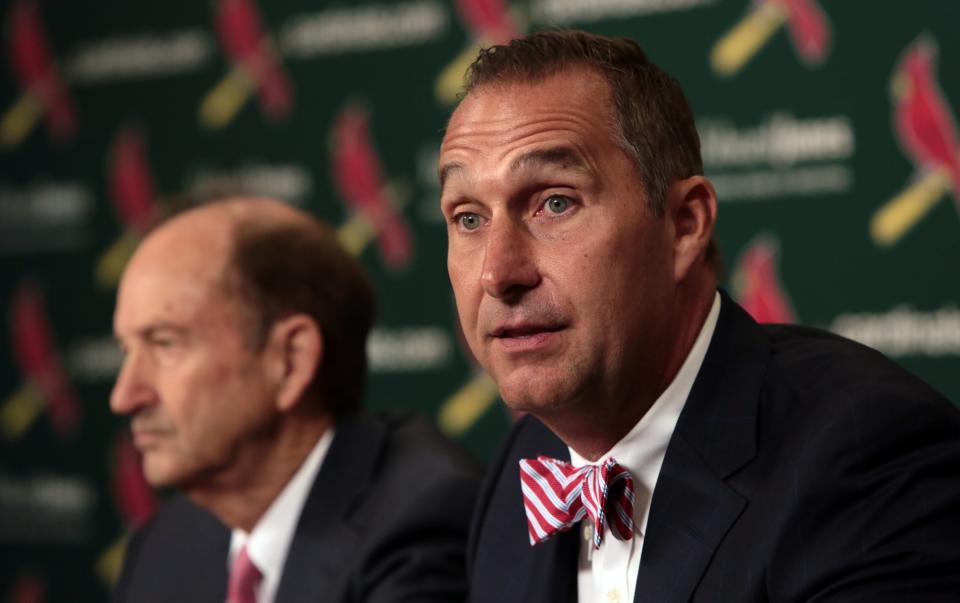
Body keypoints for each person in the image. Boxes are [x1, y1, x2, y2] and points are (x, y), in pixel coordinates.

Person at [438, 30, 960, 602]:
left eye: (555, 202)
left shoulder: (864, 453)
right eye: (468, 218)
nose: (497, 273)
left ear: (684, 225)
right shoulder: (524, 463)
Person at [110, 197, 481, 603]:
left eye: (164, 344)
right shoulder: (166, 545)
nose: (124, 397)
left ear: (290, 360)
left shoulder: (422, 519)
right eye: (127, 351)